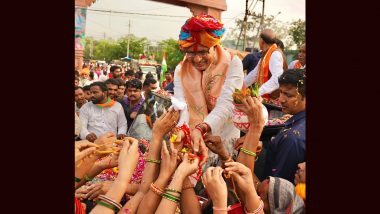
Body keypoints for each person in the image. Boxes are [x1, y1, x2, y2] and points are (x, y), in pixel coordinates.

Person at [173, 14, 244, 168]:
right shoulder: (180, 69)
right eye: (191, 53)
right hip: (192, 138)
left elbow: (227, 104)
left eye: (203, 52)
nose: (197, 59)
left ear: (215, 46)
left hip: (224, 137)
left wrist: (201, 128)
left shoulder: (233, 63)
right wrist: (181, 129)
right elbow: (182, 106)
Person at [263, 69, 306, 183]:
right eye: (281, 92)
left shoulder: (292, 139)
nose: (280, 99)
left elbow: (274, 192)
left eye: (288, 95)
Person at [243, 29, 288, 98]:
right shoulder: (266, 54)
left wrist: (258, 92)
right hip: (266, 97)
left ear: (262, 41)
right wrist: (240, 87)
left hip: (275, 100)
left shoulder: (275, 54)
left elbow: (277, 79)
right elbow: (254, 74)